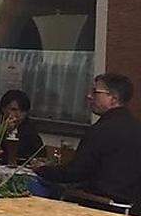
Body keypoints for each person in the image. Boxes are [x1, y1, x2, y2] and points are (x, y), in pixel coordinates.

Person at [33, 74, 141, 204]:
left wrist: (42, 170)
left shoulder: (102, 130)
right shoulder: (135, 127)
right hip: (132, 207)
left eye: (95, 92)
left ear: (113, 98)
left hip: (100, 203)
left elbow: (76, 173)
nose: (89, 96)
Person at [0, 89, 44, 163]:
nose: (18, 114)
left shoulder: (29, 130)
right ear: (3, 109)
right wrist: (3, 131)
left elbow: (40, 154)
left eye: (22, 111)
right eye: (13, 109)